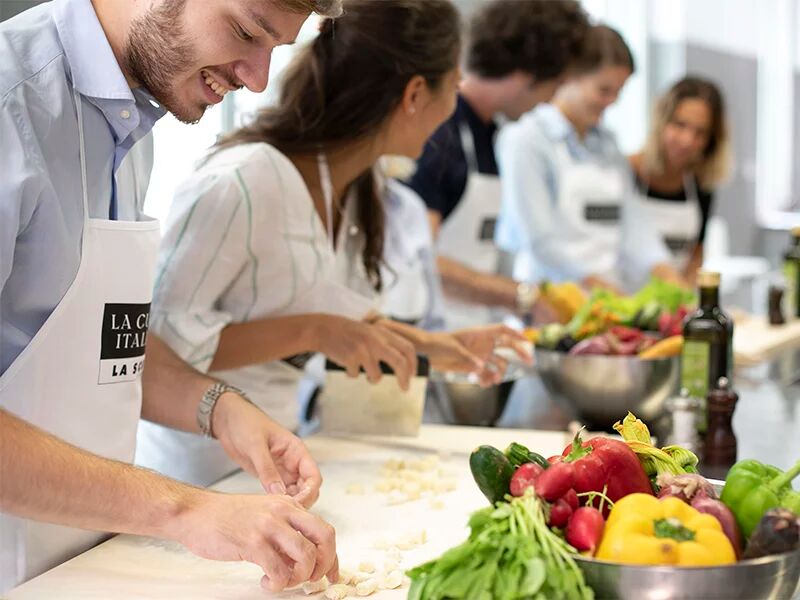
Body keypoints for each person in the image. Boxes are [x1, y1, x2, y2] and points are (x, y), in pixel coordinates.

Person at [0, 0, 343, 592]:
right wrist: (184, 510)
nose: (257, 77)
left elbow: (91, 337)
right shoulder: (13, 102)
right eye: (244, 32)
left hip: (70, 561)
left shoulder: (136, 116)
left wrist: (220, 408)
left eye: (275, 50)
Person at [139, 0, 531, 487]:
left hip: (274, 464)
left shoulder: (355, 188)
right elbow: (151, 351)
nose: (454, 106)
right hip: (192, 477)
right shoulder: (241, 183)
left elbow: (337, 321)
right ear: (413, 95)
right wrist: (314, 332)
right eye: (452, 86)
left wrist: (441, 348)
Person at [402, 0, 589, 329]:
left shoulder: (493, 135)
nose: (550, 101)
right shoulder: (440, 134)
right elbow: (421, 258)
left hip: (470, 335)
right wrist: (518, 295)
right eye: (554, 85)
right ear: (524, 77)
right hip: (426, 338)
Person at [494, 25, 684, 294]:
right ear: (570, 77)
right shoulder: (528, 139)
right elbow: (539, 240)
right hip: (548, 306)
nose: (611, 102)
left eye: (619, 92)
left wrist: (664, 271)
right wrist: (595, 285)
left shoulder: (608, 144)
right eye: (604, 90)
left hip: (605, 304)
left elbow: (633, 225)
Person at [629, 77, 731, 282]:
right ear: (661, 121)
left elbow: (695, 254)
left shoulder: (701, 186)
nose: (687, 140)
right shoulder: (626, 173)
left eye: (700, 132)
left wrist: (686, 295)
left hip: (673, 305)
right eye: (680, 125)